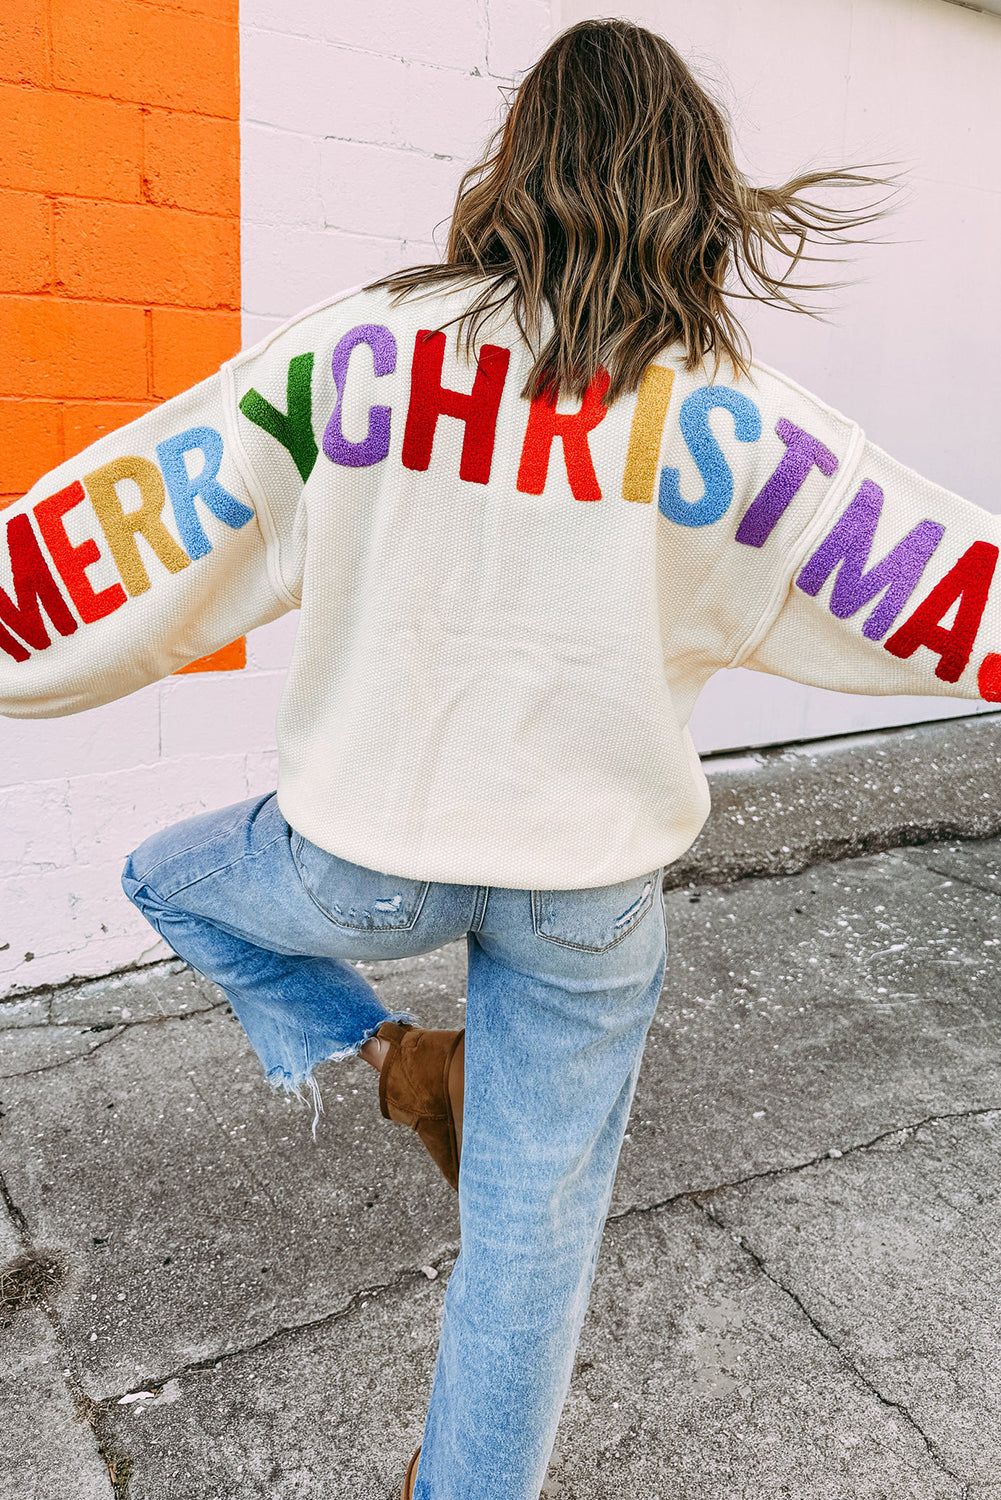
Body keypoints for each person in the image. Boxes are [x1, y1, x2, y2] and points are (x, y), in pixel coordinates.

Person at [2, 16, 999, 1498]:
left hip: (361, 863)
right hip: (588, 894)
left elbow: (131, 527)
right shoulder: (735, 418)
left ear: (516, 160)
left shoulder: (353, 354)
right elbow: (949, 585)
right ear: (692, 186)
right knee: (530, 1248)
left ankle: (389, 1052)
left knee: (170, 878)